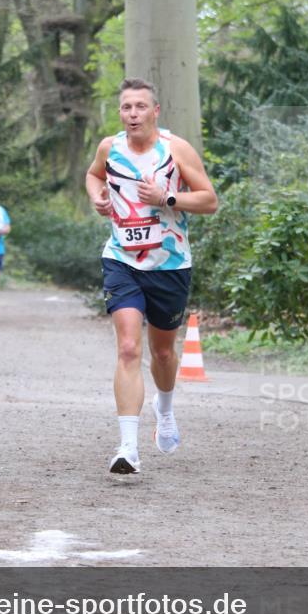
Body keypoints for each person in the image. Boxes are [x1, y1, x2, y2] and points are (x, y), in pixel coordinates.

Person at [86, 78, 218, 475]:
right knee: (128, 348)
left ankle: (165, 408)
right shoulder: (110, 148)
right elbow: (93, 175)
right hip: (122, 260)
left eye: (140, 106)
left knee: (162, 353)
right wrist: (96, 196)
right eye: (127, 107)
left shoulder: (175, 150)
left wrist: (167, 198)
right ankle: (128, 447)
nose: (133, 114)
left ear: (155, 111)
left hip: (170, 264)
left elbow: (209, 200)